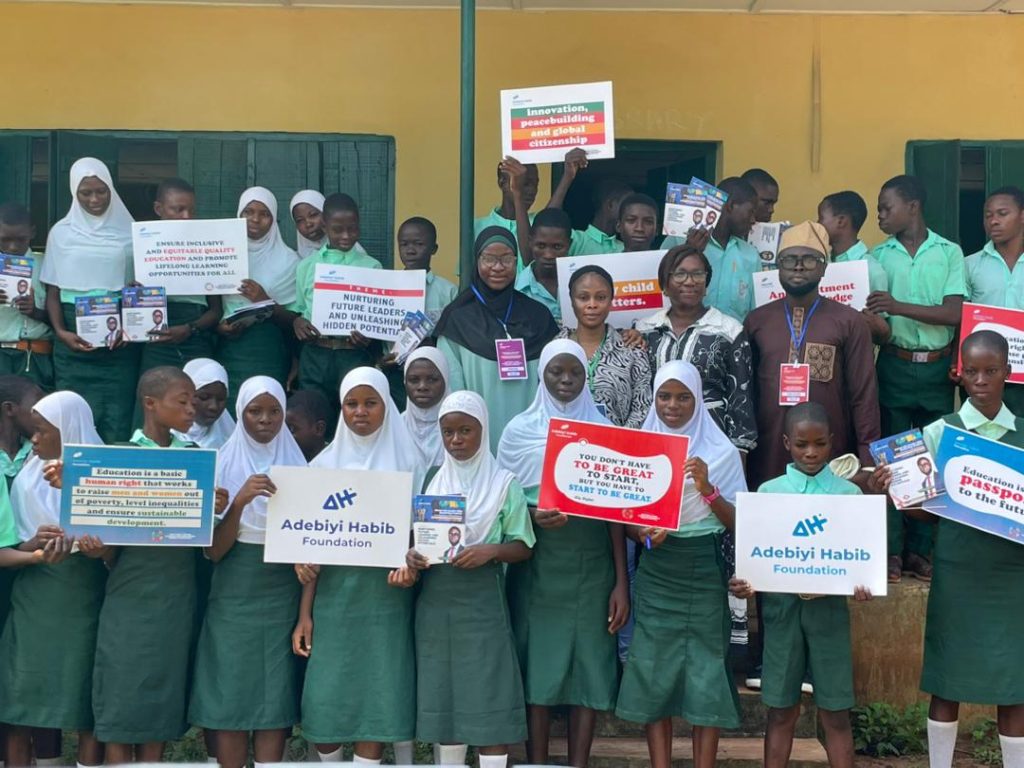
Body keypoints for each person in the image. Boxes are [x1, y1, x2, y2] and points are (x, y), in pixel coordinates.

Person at [872, 331, 1024, 768]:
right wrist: (894, 494)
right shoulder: (942, 432)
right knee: (946, 677)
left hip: (1012, 577)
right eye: (972, 371)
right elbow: (930, 511)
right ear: (958, 375)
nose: (981, 379)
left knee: (1014, 683)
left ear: (1006, 374)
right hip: (958, 570)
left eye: (991, 371)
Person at [498, 339, 629, 768]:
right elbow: (502, 503)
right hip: (538, 560)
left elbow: (616, 514)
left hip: (593, 560)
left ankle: (579, 764)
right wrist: (533, 516)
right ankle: (537, 762)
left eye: (575, 372)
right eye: (557, 372)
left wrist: (621, 583)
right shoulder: (519, 430)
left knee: (589, 663)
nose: (567, 380)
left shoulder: (604, 427)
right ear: (542, 375)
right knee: (539, 661)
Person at [615, 361, 745, 768]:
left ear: (697, 400)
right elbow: (625, 517)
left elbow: (738, 522)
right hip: (658, 569)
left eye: (683, 397)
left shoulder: (720, 452)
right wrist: (643, 534)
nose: (673, 405)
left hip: (704, 568)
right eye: (664, 396)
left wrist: (707, 489)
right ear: (653, 398)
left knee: (707, 671)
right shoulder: (638, 446)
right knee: (655, 674)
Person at [731, 402, 872, 768]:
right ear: (786, 443)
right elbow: (757, 559)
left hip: (829, 613)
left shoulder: (848, 496)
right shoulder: (768, 493)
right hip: (782, 612)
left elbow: (858, 559)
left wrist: (862, 583)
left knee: (836, 713)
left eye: (820, 444)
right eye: (802, 444)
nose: (811, 452)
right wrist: (748, 584)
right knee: (780, 710)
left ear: (832, 442)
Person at [87, 366, 214, 764]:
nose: (192, 408)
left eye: (193, 401)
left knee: (161, 695)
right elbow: (109, 548)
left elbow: (204, 539)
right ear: (150, 404)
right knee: (122, 695)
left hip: (176, 597)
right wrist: (97, 549)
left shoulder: (194, 458)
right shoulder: (120, 455)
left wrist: (216, 508)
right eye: (183, 401)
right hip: (129, 596)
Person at [293, 367, 419, 765]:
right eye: (352, 404)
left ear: (387, 406)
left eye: (371, 403)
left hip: (386, 599)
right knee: (326, 694)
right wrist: (304, 614)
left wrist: (411, 566)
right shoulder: (320, 469)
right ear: (341, 408)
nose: (360, 412)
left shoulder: (413, 464)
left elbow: (422, 540)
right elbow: (312, 546)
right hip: (333, 601)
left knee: (377, 696)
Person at [406, 390, 535, 768]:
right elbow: (416, 541)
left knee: (488, 698)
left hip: (482, 604)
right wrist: (412, 556)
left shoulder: (503, 483)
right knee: (446, 699)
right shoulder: (431, 478)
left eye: (466, 431)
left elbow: (524, 546)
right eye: (448, 432)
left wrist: (490, 552)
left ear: (484, 431)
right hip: (436, 605)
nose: (457, 440)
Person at [190, 376, 305, 767]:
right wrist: (239, 502)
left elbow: (310, 543)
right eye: (255, 411)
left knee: (274, 693)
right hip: (235, 587)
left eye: (274, 411)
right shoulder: (221, 462)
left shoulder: (298, 464)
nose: (265, 420)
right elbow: (214, 552)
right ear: (240, 413)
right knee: (231, 692)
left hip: (282, 586)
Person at [867, 174, 965, 583]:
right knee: (890, 459)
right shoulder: (877, 257)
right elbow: (875, 320)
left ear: (913, 205)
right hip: (893, 363)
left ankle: (919, 551)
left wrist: (897, 306)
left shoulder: (949, 252)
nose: (880, 216)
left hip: (937, 369)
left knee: (931, 462)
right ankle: (890, 551)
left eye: (886, 207)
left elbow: (953, 313)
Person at [0, 390, 106, 768]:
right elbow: (12, 541)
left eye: (43, 431)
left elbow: (117, 546)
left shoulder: (102, 473)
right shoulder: (29, 474)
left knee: (82, 698)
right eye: (34, 431)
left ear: (69, 430)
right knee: (21, 698)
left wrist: (99, 551)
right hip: (34, 596)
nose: (35, 439)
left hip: (83, 595)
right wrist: (34, 548)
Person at [745, 221, 880, 489]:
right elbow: (746, 395)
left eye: (809, 259)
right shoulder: (757, 321)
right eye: (789, 259)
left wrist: (868, 458)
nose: (798, 266)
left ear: (824, 267)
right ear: (777, 267)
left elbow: (863, 395)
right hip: (769, 449)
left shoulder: (849, 321)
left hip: (830, 448)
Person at [41, 157, 139, 443]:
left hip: (119, 342)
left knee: (118, 416)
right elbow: (53, 292)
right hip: (73, 342)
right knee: (73, 417)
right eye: (86, 193)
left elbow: (139, 289)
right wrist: (61, 333)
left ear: (111, 190)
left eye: (102, 191)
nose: (95, 199)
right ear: (74, 192)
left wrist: (128, 328)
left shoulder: (130, 232)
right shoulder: (60, 233)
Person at [435, 228, 558, 452]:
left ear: (517, 261)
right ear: (476, 261)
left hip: (531, 441)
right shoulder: (457, 319)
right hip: (476, 438)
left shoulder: (538, 317)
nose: (498, 267)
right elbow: (453, 388)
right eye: (489, 259)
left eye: (506, 259)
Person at [635, 245, 756, 453]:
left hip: (712, 444)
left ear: (706, 282)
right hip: (655, 440)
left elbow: (741, 399)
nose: (690, 281)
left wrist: (739, 456)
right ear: (664, 283)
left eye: (698, 274)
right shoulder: (644, 330)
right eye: (680, 274)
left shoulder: (729, 331)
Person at [289, 193, 383, 423]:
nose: (346, 236)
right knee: (312, 417)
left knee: (353, 417)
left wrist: (369, 336)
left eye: (352, 229)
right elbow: (300, 309)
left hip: (352, 353)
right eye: (338, 229)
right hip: (315, 353)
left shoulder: (372, 267)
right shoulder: (307, 267)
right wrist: (298, 322)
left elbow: (377, 315)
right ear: (324, 225)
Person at [216, 187, 300, 413]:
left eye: (264, 214)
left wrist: (264, 300)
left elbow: (295, 319)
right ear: (239, 215)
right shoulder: (220, 253)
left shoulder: (289, 260)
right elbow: (211, 302)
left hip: (268, 349)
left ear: (273, 220)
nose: (255, 219)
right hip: (229, 346)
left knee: (264, 410)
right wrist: (220, 327)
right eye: (248, 212)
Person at [141, 178, 223, 374]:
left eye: (191, 210)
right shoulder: (141, 247)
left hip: (195, 339)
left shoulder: (205, 248)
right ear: (158, 209)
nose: (187, 217)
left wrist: (190, 328)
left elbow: (216, 310)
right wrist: (136, 294)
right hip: (155, 339)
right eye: (178, 210)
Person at [559, 265, 652, 429]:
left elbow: (642, 408)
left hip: (619, 449)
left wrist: (617, 442)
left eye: (601, 297)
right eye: (583, 297)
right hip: (566, 445)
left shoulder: (632, 349)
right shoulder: (557, 349)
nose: (592, 305)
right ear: (572, 301)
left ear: (611, 301)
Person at [664, 178, 760, 322]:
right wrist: (689, 252)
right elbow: (661, 290)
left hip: (733, 340)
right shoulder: (678, 240)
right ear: (731, 205)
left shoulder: (751, 255)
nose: (753, 220)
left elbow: (756, 313)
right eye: (751, 211)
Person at [965, 185, 1024, 414]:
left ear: (1022, 216)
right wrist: (958, 364)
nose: (993, 221)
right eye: (988, 216)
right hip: (983, 376)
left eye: (1002, 214)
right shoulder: (970, 265)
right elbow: (962, 318)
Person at [817, 190, 891, 345]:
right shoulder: (820, 262)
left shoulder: (872, 270)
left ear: (841, 221)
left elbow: (881, 329)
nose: (817, 224)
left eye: (821, 218)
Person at [0, 203, 53, 389]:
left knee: (33, 413)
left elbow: (62, 318)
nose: (13, 247)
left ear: (32, 232)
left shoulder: (47, 266)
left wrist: (36, 312)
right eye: (5, 240)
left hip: (36, 355)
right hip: (2, 354)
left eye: (20, 239)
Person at [474, 160, 540, 269]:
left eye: (535, 184)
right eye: (524, 184)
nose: (532, 190)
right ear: (502, 183)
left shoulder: (540, 226)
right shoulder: (477, 228)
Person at [515, 208, 572, 322]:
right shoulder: (518, 290)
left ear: (569, 244)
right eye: (541, 246)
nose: (548, 255)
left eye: (557, 247)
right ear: (530, 242)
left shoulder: (583, 284)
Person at [397, 217, 458, 324]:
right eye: (404, 244)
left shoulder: (449, 291)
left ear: (434, 249)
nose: (410, 251)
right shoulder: (388, 287)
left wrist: (433, 340)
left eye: (419, 244)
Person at [402, 347, 450, 468]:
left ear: (446, 380)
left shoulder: (459, 426)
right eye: (414, 380)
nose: (422, 387)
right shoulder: (395, 426)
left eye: (432, 380)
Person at [290, 190, 372, 260]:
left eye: (313, 215)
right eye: (300, 220)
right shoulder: (300, 263)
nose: (308, 224)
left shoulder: (358, 256)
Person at [177, 358, 234, 450]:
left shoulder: (231, 444)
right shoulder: (161, 440)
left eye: (221, 399)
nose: (213, 407)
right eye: (204, 397)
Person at [565, 179, 632, 257]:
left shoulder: (625, 249)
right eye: (628, 206)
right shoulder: (577, 240)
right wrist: (567, 177)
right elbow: (549, 222)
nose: (633, 212)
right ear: (611, 205)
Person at [285, 389, 330, 462]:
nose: (286, 435)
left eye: (292, 429)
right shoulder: (283, 459)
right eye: (284, 429)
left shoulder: (337, 463)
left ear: (319, 428)